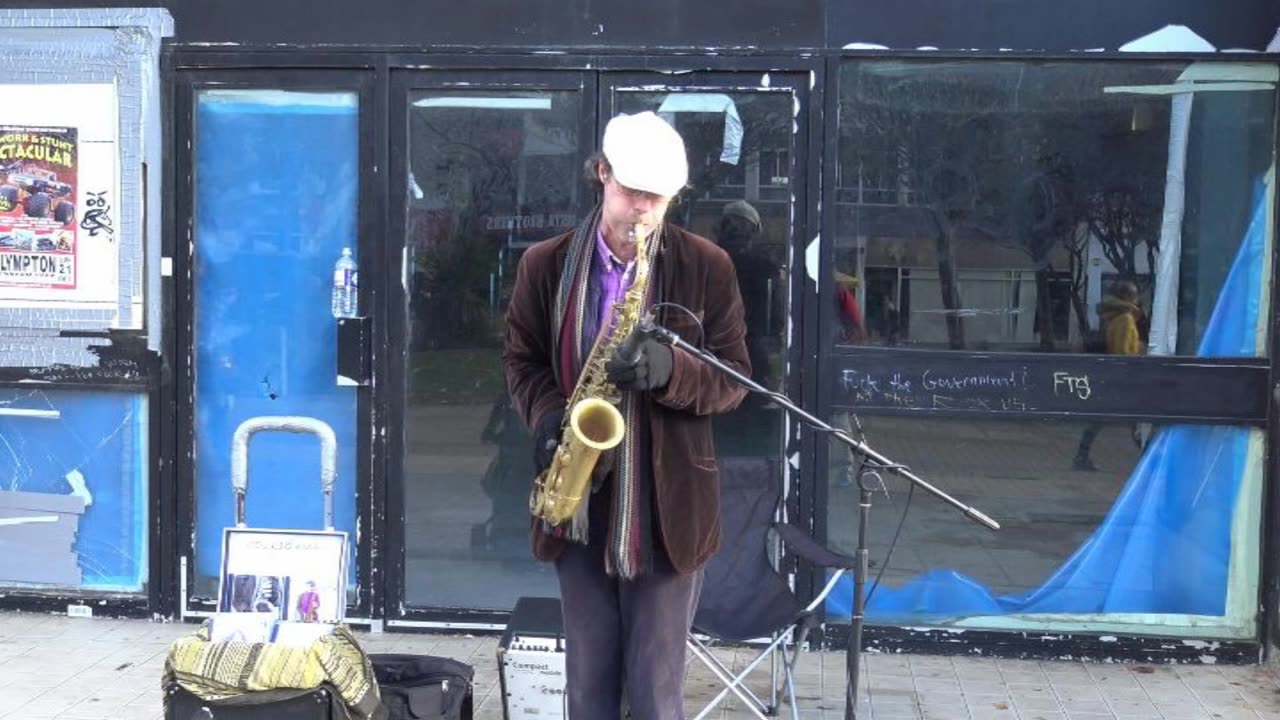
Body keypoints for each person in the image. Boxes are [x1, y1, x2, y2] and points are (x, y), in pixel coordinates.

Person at [503, 111, 750, 719]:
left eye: (657, 196)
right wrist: (546, 416)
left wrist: (671, 371)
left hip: (666, 508)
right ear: (601, 173)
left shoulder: (706, 265)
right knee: (588, 687)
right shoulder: (545, 263)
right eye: (631, 189)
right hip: (578, 501)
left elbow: (735, 380)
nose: (642, 207)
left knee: (655, 693)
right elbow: (522, 360)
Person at [1073, 280, 1145, 471]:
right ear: (1128, 297)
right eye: (1135, 295)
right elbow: (1121, 352)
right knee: (1137, 419)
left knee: (1103, 419)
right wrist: (1137, 355)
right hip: (1122, 377)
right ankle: (1149, 462)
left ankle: (1081, 456)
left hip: (1113, 376)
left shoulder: (1115, 317)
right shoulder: (1125, 319)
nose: (1137, 299)